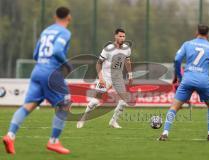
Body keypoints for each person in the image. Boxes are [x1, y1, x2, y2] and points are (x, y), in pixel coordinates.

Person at [3, 6, 72, 154]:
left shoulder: (46, 31)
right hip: (51, 73)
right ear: (69, 18)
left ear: (55, 17)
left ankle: (10, 136)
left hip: (38, 71)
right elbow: (58, 50)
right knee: (64, 104)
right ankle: (54, 141)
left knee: (28, 106)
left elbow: (35, 54)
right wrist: (67, 64)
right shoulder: (64, 32)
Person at [159, 24, 209, 141]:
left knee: (174, 107)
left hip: (187, 79)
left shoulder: (187, 44)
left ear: (196, 32)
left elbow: (177, 59)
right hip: (203, 81)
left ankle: (165, 133)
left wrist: (179, 75)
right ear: (207, 34)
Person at [77, 28, 132, 129]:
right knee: (95, 102)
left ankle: (113, 121)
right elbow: (98, 63)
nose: (122, 38)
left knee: (124, 101)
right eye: (120, 36)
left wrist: (130, 74)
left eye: (124, 36)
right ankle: (83, 118)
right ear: (115, 36)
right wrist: (101, 78)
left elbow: (127, 61)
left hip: (117, 78)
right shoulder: (108, 49)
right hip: (106, 77)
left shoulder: (127, 49)